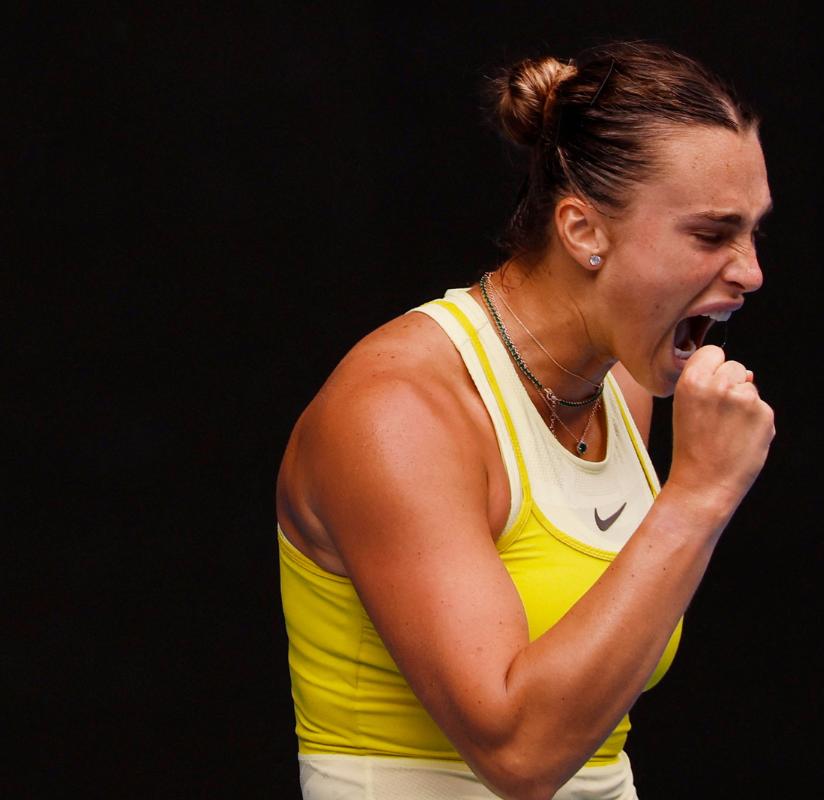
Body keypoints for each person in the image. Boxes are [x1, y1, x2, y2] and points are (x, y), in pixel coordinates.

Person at [276, 41, 775, 800]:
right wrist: (697, 498)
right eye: (711, 234)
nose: (750, 271)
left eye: (753, 232)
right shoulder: (399, 411)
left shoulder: (622, 388)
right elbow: (520, 754)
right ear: (583, 232)